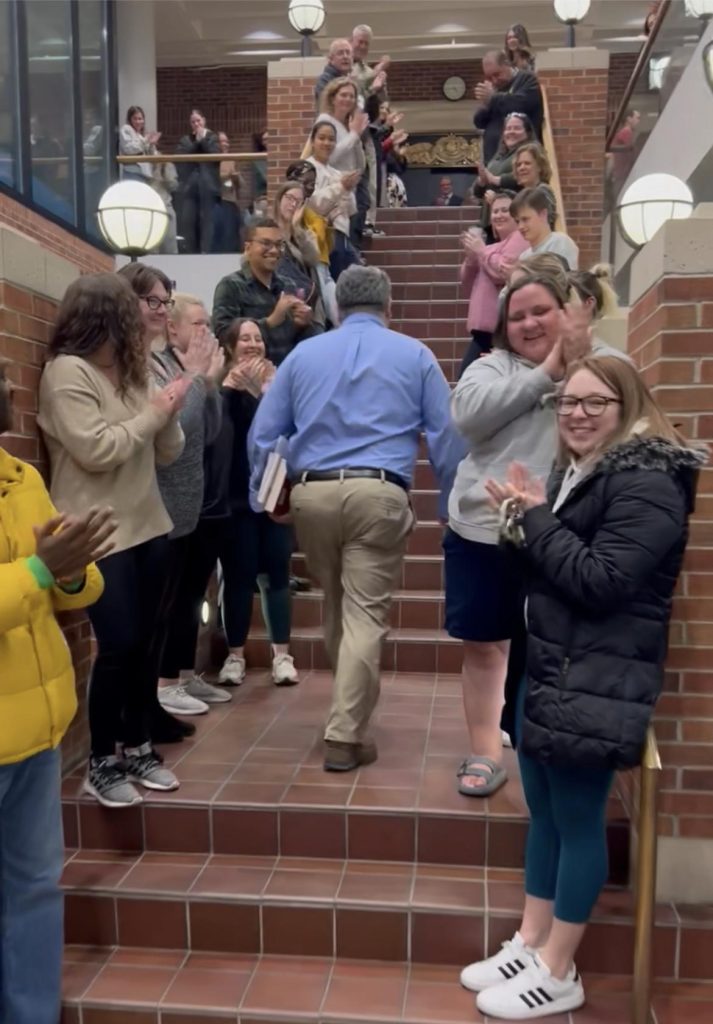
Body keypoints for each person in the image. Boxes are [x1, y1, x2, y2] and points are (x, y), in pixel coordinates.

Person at [463, 356, 706, 1020]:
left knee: (576, 820)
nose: (574, 413)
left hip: (598, 675)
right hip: (554, 666)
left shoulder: (648, 481)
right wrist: (520, 523)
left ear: (626, 406)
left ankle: (558, 966)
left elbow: (600, 580)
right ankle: (530, 939)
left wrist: (536, 521)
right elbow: (552, 569)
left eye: (593, 403)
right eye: (566, 403)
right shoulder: (582, 472)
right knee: (542, 812)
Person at [249, 265, 465, 772]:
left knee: (338, 604)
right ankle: (344, 734)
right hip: (377, 491)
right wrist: (449, 504)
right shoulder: (415, 354)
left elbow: (263, 433)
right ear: (387, 306)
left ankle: (349, 715)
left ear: (339, 306)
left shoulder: (303, 354)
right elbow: (447, 438)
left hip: (312, 494)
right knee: (365, 614)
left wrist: (266, 498)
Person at [446, 271, 627, 800]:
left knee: (555, 647)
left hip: (567, 535)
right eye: (516, 315)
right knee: (485, 646)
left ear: (570, 310)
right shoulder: (489, 368)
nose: (528, 323)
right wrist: (550, 369)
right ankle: (485, 751)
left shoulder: (608, 365)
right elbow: (469, 419)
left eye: (540, 311)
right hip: (484, 530)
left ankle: (541, 747)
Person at [38, 274, 188, 807]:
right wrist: (154, 412)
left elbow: (167, 449)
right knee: (119, 644)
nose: (141, 322)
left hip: (149, 524)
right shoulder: (65, 374)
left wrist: (167, 409)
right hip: (99, 533)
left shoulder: (130, 372)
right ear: (105, 316)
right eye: (131, 312)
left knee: (148, 643)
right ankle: (103, 759)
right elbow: (97, 449)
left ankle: (139, 743)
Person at [0, 359, 109, 1024]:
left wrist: (69, 572)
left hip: (36, 736)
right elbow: (33, 574)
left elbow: (74, 584)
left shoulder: (23, 478)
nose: (8, 390)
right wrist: (42, 568)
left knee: (35, 891)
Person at [141, 286, 229, 716]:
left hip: (194, 502)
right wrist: (198, 379)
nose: (205, 333)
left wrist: (209, 384)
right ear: (171, 328)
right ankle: (163, 682)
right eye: (197, 324)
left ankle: (182, 674)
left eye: (208, 325)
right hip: (163, 503)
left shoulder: (192, 371)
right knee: (165, 604)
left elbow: (209, 432)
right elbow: (182, 430)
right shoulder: (159, 369)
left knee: (191, 597)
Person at [216, 319, 298, 687]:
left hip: (274, 492)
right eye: (244, 338)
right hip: (235, 496)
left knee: (277, 574)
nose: (252, 344)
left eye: (258, 338)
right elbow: (217, 434)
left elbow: (290, 427)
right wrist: (229, 392)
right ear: (231, 347)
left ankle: (282, 655)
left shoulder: (280, 382)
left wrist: (266, 394)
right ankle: (235, 656)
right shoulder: (221, 386)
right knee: (238, 576)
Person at [212, 218, 318, 365]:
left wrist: (304, 324)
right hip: (248, 377)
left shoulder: (288, 285)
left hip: (285, 374)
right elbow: (223, 337)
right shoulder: (231, 286)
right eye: (266, 243)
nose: (274, 250)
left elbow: (302, 342)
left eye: (278, 245)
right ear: (248, 248)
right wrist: (270, 322)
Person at [458, 192, 529, 374]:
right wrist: (471, 257)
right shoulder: (491, 247)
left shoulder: (519, 239)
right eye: (495, 211)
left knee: (466, 378)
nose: (498, 215)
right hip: (483, 331)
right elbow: (466, 282)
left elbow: (502, 272)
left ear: (516, 215)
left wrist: (481, 252)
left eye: (504, 210)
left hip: (498, 331)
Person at [317, 77, 370, 250]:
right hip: (331, 194)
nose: (348, 99)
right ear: (333, 98)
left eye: (352, 96)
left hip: (349, 196)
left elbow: (360, 165)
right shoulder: (325, 120)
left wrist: (356, 136)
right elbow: (328, 157)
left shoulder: (348, 125)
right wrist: (353, 135)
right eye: (343, 95)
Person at [306, 121, 363, 281]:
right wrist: (341, 188)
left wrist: (348, 187)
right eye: (322, 138)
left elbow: (351, 210)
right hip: (319, 237)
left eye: (331, 139)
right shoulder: (305, 168)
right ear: (312, 141)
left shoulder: (336, 172)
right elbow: (313, 203)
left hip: (341, 236)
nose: (327, 143)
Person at [285, 159, 339, 323]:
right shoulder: (294, 208)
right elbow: (310, 241)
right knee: (328, 315)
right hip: (311, 269)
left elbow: (326, 248)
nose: (311, 187)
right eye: (306, 182)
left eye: (313, 183)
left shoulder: (309, 208)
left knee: (337, 313)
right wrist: (321, 222)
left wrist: (328, 225)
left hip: (324, 266)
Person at [273, 181, 327, 330]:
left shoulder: (305, 233)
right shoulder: (266, 229)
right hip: (277, 305)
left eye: (298, 201)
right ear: (279, 200)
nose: (292, 204)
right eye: (289, 198)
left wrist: (296, 228)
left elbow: (313, 259)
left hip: (307, 306)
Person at [473, 50, 543, 165]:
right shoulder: (495, 89)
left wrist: (493, 98)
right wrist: (485, 103)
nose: (494, 80)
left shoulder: (527, 79)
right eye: (489, 77)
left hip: (519, 159)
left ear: (507, 64)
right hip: (493, 159)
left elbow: (520, 104)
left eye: (497, 74)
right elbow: (479, 122)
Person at [472, 112, 535, 237]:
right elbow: (478, 192)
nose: (511, 132)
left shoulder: (530, 151)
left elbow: (527, 177)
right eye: (508, 128)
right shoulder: (499, 155)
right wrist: (481, 182)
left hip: (514, 221)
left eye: (517, 128)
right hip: (491, 220)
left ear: (527, 132)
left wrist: (496, 180)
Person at [176, 109, 221, 254]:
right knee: (188, 222)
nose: (196, 124)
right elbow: (182, 158)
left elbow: (215, 156)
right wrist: (197, 142)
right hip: (190, 188)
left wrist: (203, 140)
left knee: (207, 222)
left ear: (204, 120)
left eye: (198, 121)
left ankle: (206, 252)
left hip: (208, 186)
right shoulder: (186, 140)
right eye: (193, 122)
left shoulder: (213, 137)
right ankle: (191, 253)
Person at [512, 187, 579, 269]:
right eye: (517, 221)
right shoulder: (524, 257)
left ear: (543, 214)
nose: (520, 226)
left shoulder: (560, 242)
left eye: (525, 219)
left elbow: (560, 279)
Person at [213, 130, 245, 254]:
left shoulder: (231, 160)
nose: (226, 144)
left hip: (231, 202)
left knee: (233, 237)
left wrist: (236, 177)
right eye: (222, 141)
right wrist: (227, 176)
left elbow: (241, 185)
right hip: (217, 203)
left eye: (227, 141)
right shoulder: (212, 160)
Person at [119, 105, 160, 183]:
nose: (138, 122)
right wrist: (145, 141)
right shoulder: (126, 129)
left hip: (145, 175)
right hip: (132, 174)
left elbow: (153, 156)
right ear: (130, 119)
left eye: (140, 119)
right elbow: (129, 149)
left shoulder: (141, 136)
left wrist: (152, 144)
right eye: (135, 118)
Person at [315, 38, 354, 106]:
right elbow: (327, 106)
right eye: (340, 53)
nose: (345, 56)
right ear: (331, 59)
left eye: (348, 53)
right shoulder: (325, 80)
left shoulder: (349, 80)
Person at [609, 108, 640, 190]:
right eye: (637, 118)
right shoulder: (626, 132)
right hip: (622, 176)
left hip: (620, 175)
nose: (638, 121)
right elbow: (633, 153)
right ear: (629, 119)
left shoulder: (623, 132)